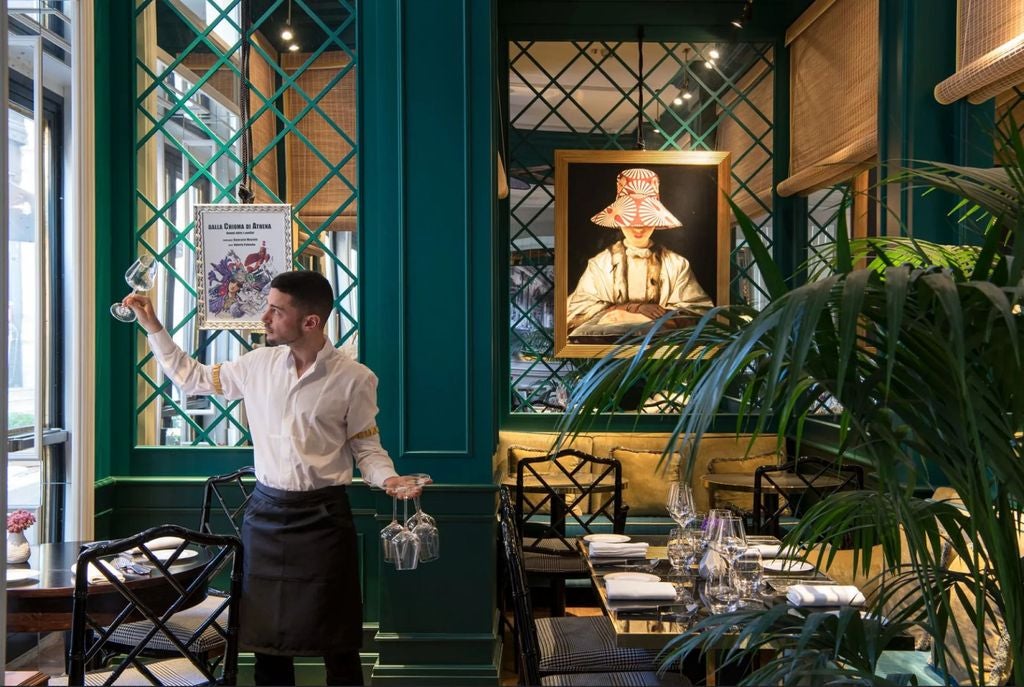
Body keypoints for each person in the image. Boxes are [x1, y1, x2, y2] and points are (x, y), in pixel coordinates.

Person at [123, 270, 423, 687]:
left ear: (310, 322)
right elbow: (190, 377)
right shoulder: (255, 366)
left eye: (275, 310)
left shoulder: (355, 379)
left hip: (324, 519)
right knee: (267, 643)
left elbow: (366, 449)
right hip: (265, 517)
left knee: (338, 642)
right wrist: (153, 326)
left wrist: (388, 480)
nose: (264, 317)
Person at [566, 167, 712, 339]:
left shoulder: (676, 264)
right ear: (619, 221)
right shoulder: (600, 264)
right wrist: (630, 309)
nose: (638, 227)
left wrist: (649, 318)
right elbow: (575, 313)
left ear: (656, 222)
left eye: (645, 219)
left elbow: (699, 312)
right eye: (630, 219)